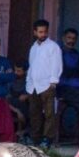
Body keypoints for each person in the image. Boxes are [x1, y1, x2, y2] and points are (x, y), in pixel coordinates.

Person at [26, 20, 63, 149]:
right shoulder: (34, 47)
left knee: (49, 113)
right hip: (33, 86)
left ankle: (47, 139)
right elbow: (32, 66)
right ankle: (35, 138)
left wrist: (53, 82)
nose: (43, 34)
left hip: (47, 84)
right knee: (34, 113)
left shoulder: (53, 47)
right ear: (35, 32)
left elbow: (56, 65)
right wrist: (28, 82)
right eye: (40, 32)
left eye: (45, 31)